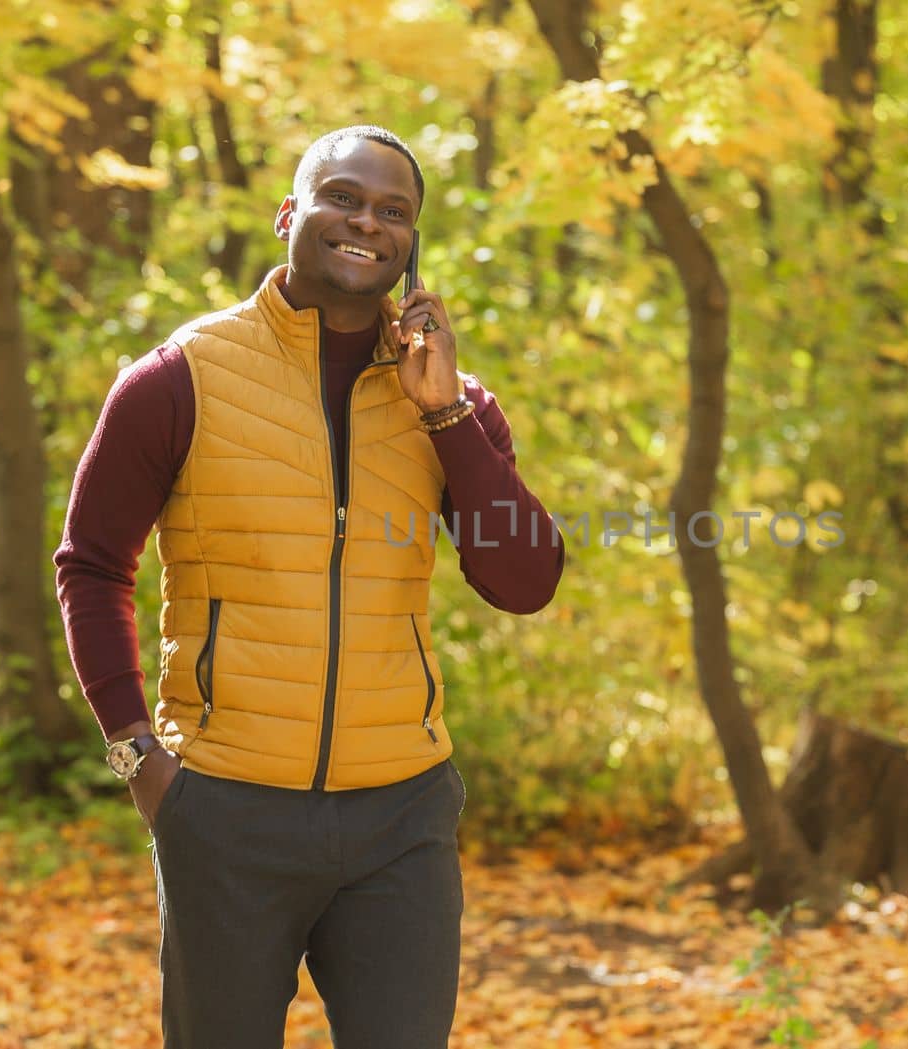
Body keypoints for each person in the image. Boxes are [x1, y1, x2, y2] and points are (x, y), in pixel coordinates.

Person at [53, 124, 564, 1048]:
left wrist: (445, 411)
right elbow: (91, 565)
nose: (366, 221)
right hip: (225, 807)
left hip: (402, 816)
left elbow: (524, 581)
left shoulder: (448, 399)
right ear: (291, 212)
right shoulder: (179, 379)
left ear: (412, 246)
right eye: (342, 197)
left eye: (393, 211)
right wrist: (140, 757)